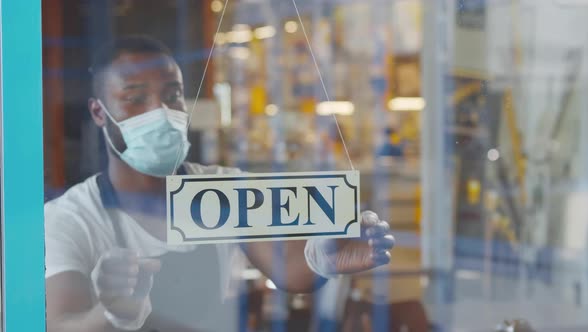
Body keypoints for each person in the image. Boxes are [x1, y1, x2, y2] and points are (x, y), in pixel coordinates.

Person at [45, 35, 395, 332]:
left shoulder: (221, 190)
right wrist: (111, 311)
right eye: (135, 98)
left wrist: (326, 257)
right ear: (98, 112)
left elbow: (290, 267)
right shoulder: (71, 218)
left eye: (173, 94)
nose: (161, 110)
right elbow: (62, 323)